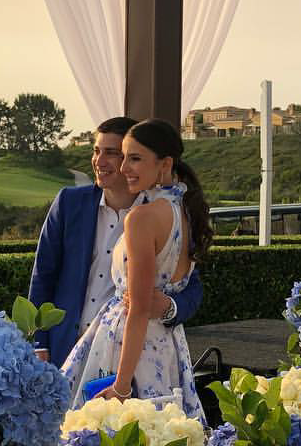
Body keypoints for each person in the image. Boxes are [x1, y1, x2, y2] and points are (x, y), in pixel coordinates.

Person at [61, 119, 212, 423]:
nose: (124, 168)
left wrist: (121, 386)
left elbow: (139, 310)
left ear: (165, 163)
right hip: (168, 346)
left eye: (135, 158)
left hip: (128, 350)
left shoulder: (142, 218)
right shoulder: (185, 211)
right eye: (124, 157)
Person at [28, 116, 203, 368]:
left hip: (126, 354)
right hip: (65, 349)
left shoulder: (158, 215)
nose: (99, 161)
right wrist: (39, 343)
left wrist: (170, 307)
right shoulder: (68, 203)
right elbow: (43, 276)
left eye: (111, 153)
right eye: (96, 151)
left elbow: (191, 285)